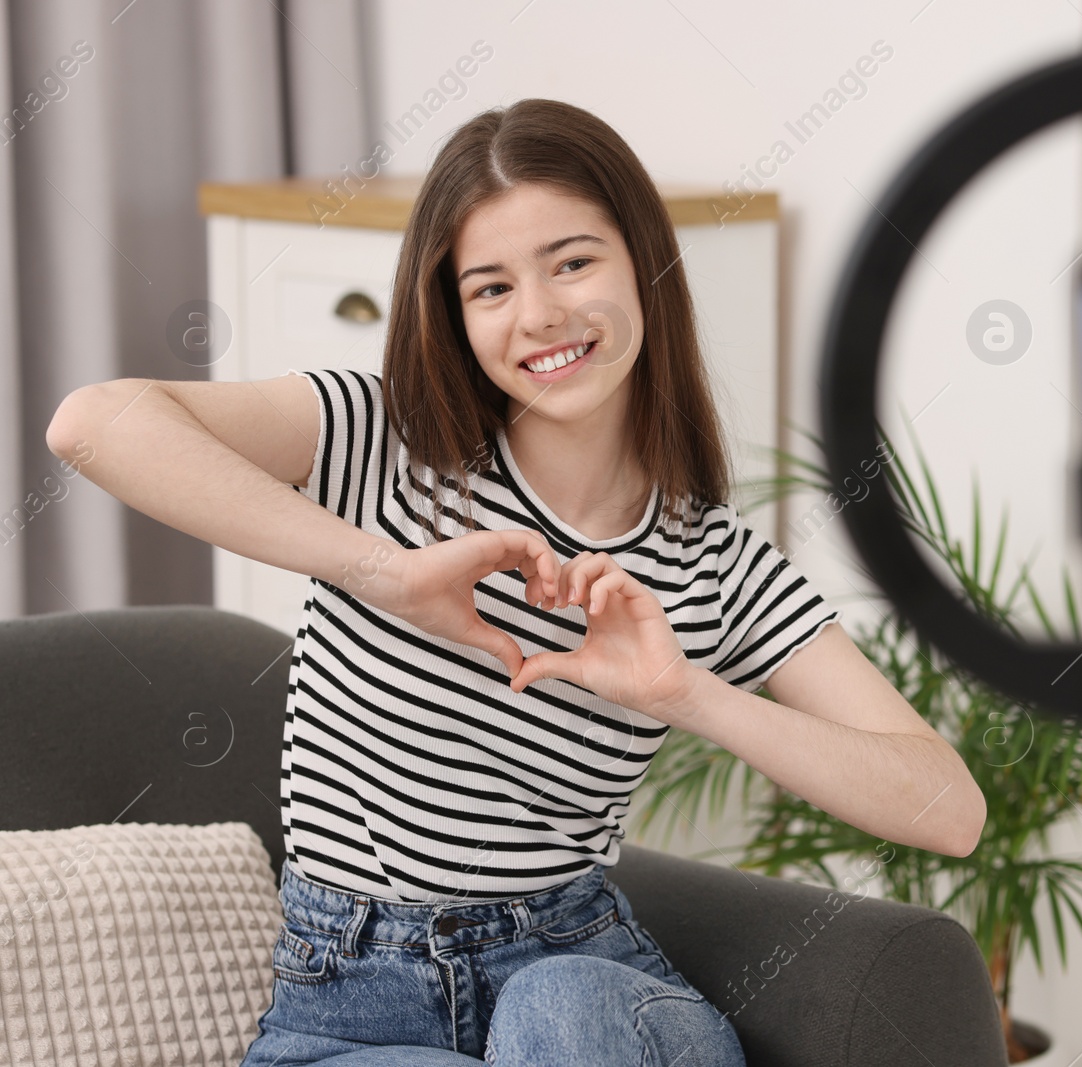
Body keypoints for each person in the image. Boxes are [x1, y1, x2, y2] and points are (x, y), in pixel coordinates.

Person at [44, 98, 985, 1065]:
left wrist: (684, 692)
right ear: (455, 313)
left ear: (646, 265)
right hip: (347, 1009)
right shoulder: (380, 442)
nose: (539, 314)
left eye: (573, 262)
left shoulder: (713, 561)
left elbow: (947, 809)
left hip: (582, 981)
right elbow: (94, 422)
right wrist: (385, 570)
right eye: (490, 288)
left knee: (562, 1009)